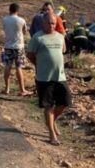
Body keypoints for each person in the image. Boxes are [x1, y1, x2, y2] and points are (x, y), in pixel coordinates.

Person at [26, 15, 71, 146]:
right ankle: (52, 135)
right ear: (43, 24)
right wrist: (39, 65)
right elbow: (30, 54)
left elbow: (62, 52)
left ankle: (52, 121)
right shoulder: (37, 38)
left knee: (65, 102)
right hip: (44, 78)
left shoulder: (60, 36)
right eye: (48, 23)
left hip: (60, 76)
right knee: (49, 105)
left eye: (53, 23)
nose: (51, 25)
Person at [1, 3, 32, 96]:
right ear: (17, 11)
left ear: (9, 10)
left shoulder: (5, 20)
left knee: (7, 66)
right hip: (19, 47)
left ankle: (7, 89)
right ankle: (22, 90)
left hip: (8, 46)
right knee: (19, 68)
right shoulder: (21, 20)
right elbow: (25, 32)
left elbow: (5, 29)